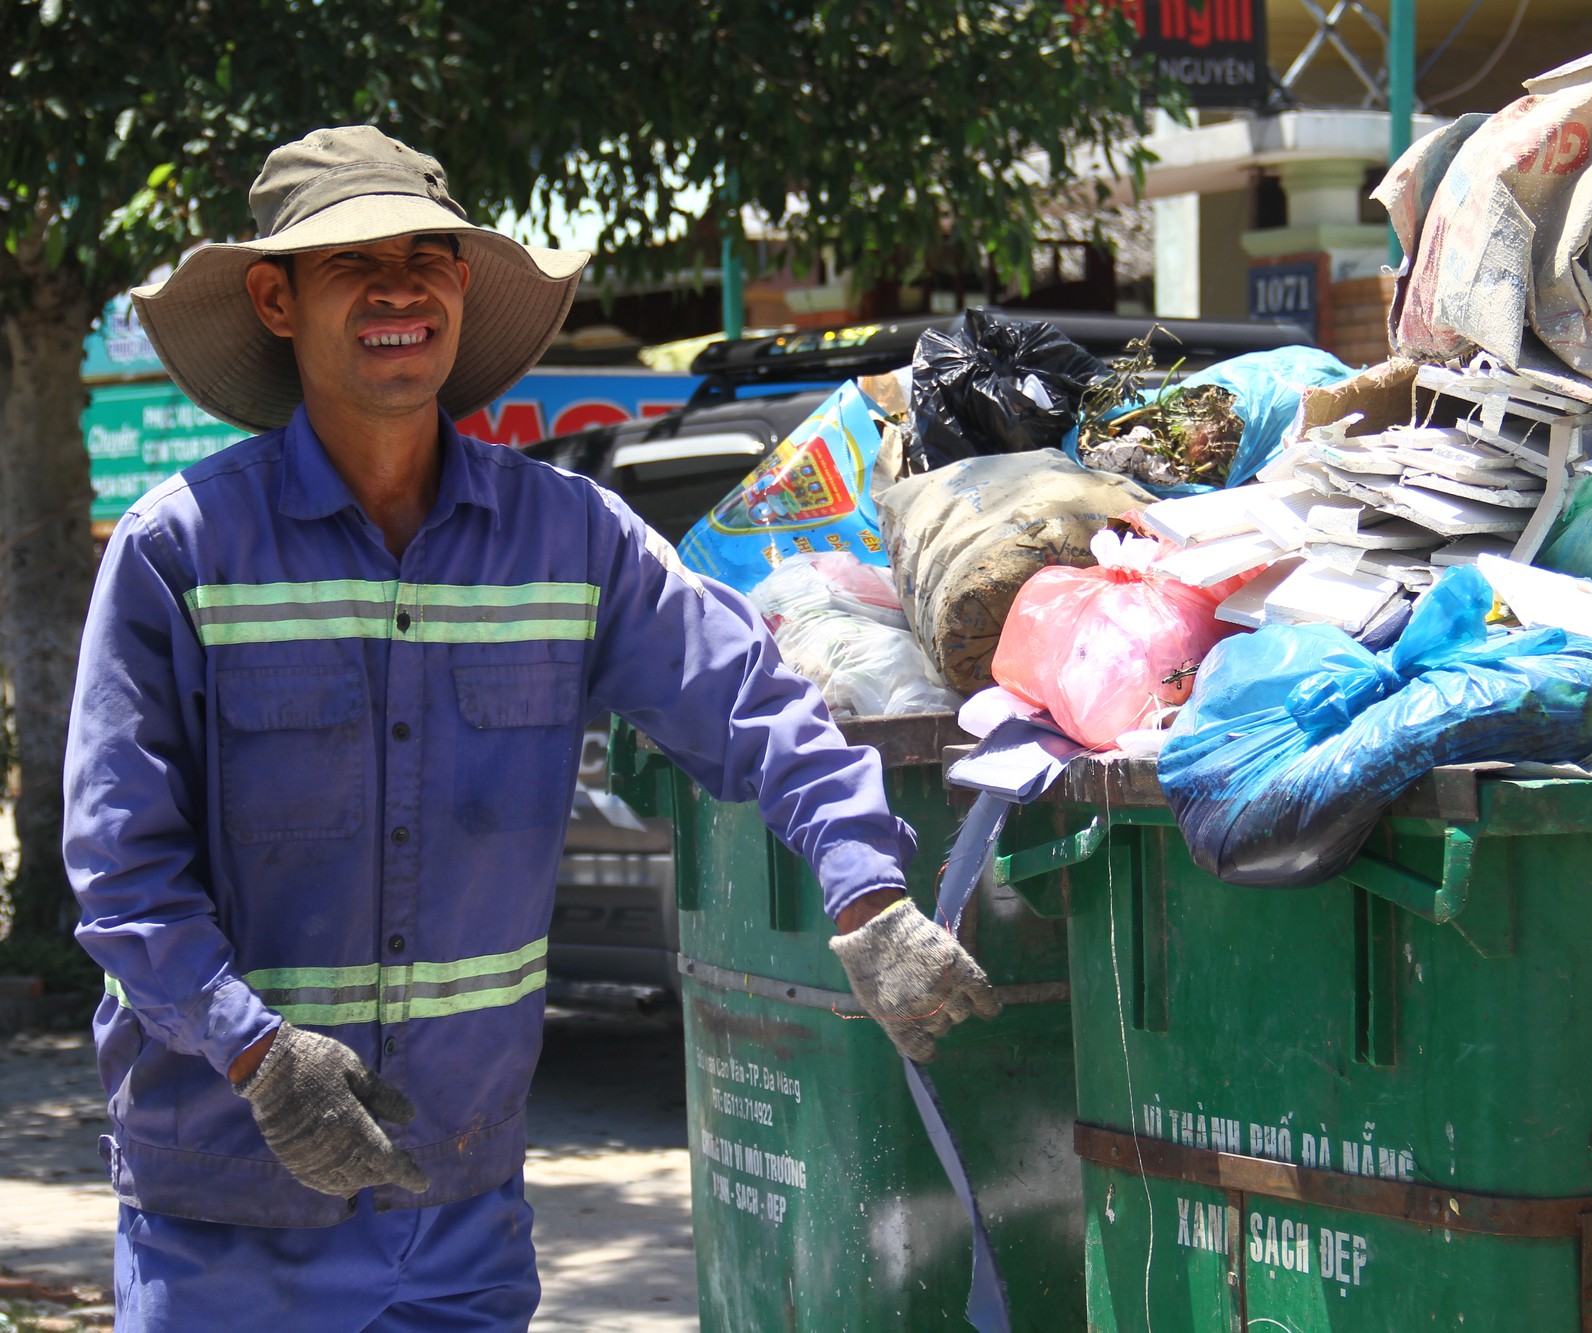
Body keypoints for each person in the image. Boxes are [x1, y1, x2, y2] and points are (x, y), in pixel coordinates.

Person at [64, 124, 995, 1331]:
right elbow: (124, 879)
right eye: (351, 260)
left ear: (461, 285)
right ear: (273, 298)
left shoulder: (573, 541)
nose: (398, 284)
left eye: (427, 254)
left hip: (461, 1206)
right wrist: (256, 1055)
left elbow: (754, 705)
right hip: (229, 1210)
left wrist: (867, 890)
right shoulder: (178, 553)